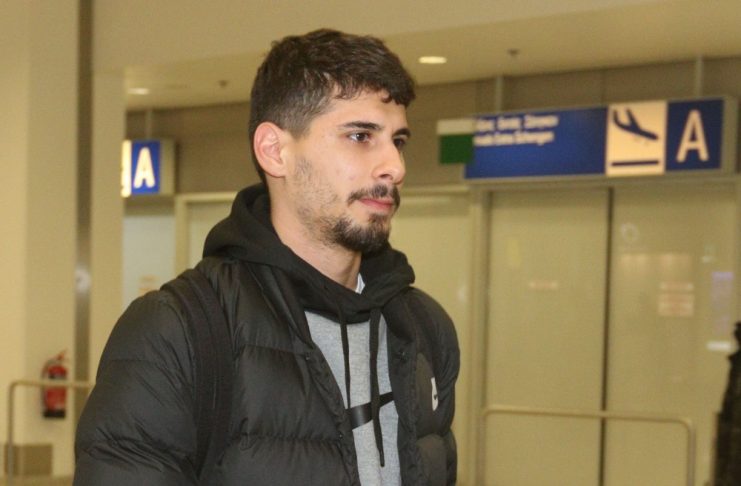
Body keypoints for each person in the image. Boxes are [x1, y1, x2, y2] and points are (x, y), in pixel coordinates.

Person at [74, 29, 459, 486]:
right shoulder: (177, 331)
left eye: (398, 141)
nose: (395, 167)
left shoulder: (423, 328)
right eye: (360, 136)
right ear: (275, 151)